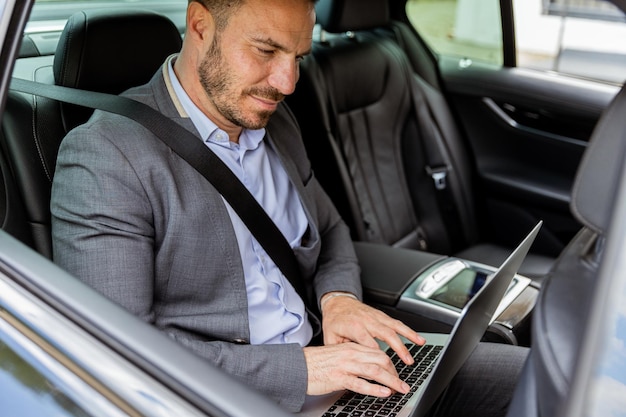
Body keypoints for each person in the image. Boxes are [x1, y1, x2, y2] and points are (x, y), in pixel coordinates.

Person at [51, 0, 527, 415]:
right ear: (200, 25)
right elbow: (120, 351)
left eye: (298, 56)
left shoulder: (275, 122)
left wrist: (338, 299)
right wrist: (301, 370)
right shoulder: (107, 156)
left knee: (546, 375)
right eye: (266, 50)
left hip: (338, 368)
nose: (288, 82)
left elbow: (332, 230)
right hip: (231, 399)